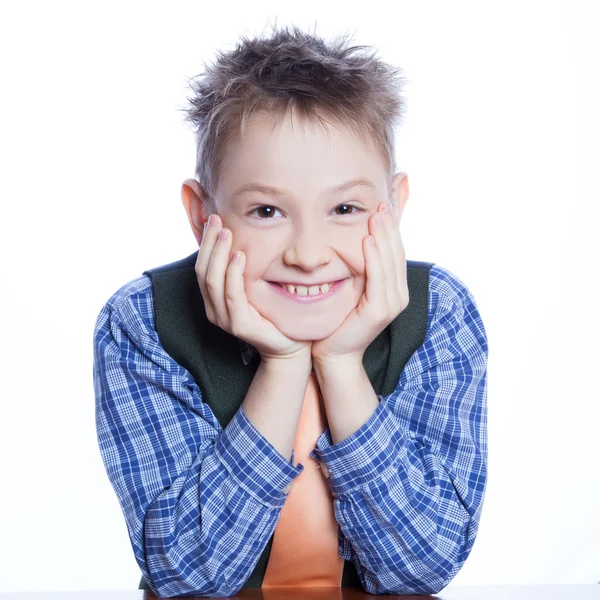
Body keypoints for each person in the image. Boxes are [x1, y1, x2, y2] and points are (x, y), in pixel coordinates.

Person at [93, 24, 488, 598]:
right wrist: (282, 366)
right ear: (203, 214)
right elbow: (188, 577)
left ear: (394, 207)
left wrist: (344, 366)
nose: (307, 255)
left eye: (346, 207)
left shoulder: (439, 315)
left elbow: (421, 568)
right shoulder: (143, 324)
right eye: (267, 211)